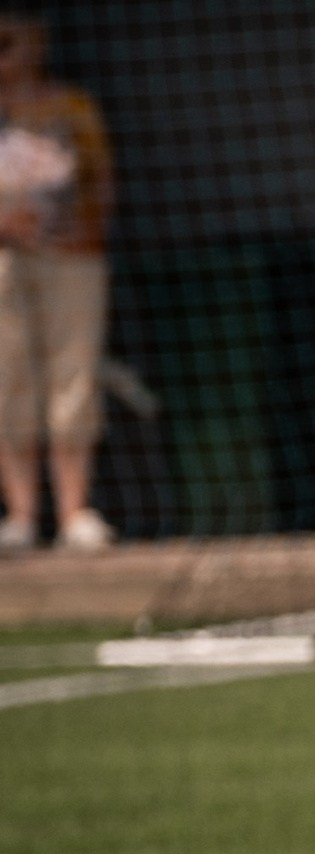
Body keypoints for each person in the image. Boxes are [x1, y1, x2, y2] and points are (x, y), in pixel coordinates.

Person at [0, 12, 112, 550]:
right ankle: (21, 516)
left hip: (72, 260)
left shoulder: (72, 108)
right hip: (4, 264)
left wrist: (83, 232)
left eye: (9, 41)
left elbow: (101, 182)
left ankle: (74, 512)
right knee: (8, 381)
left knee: (74, 379)